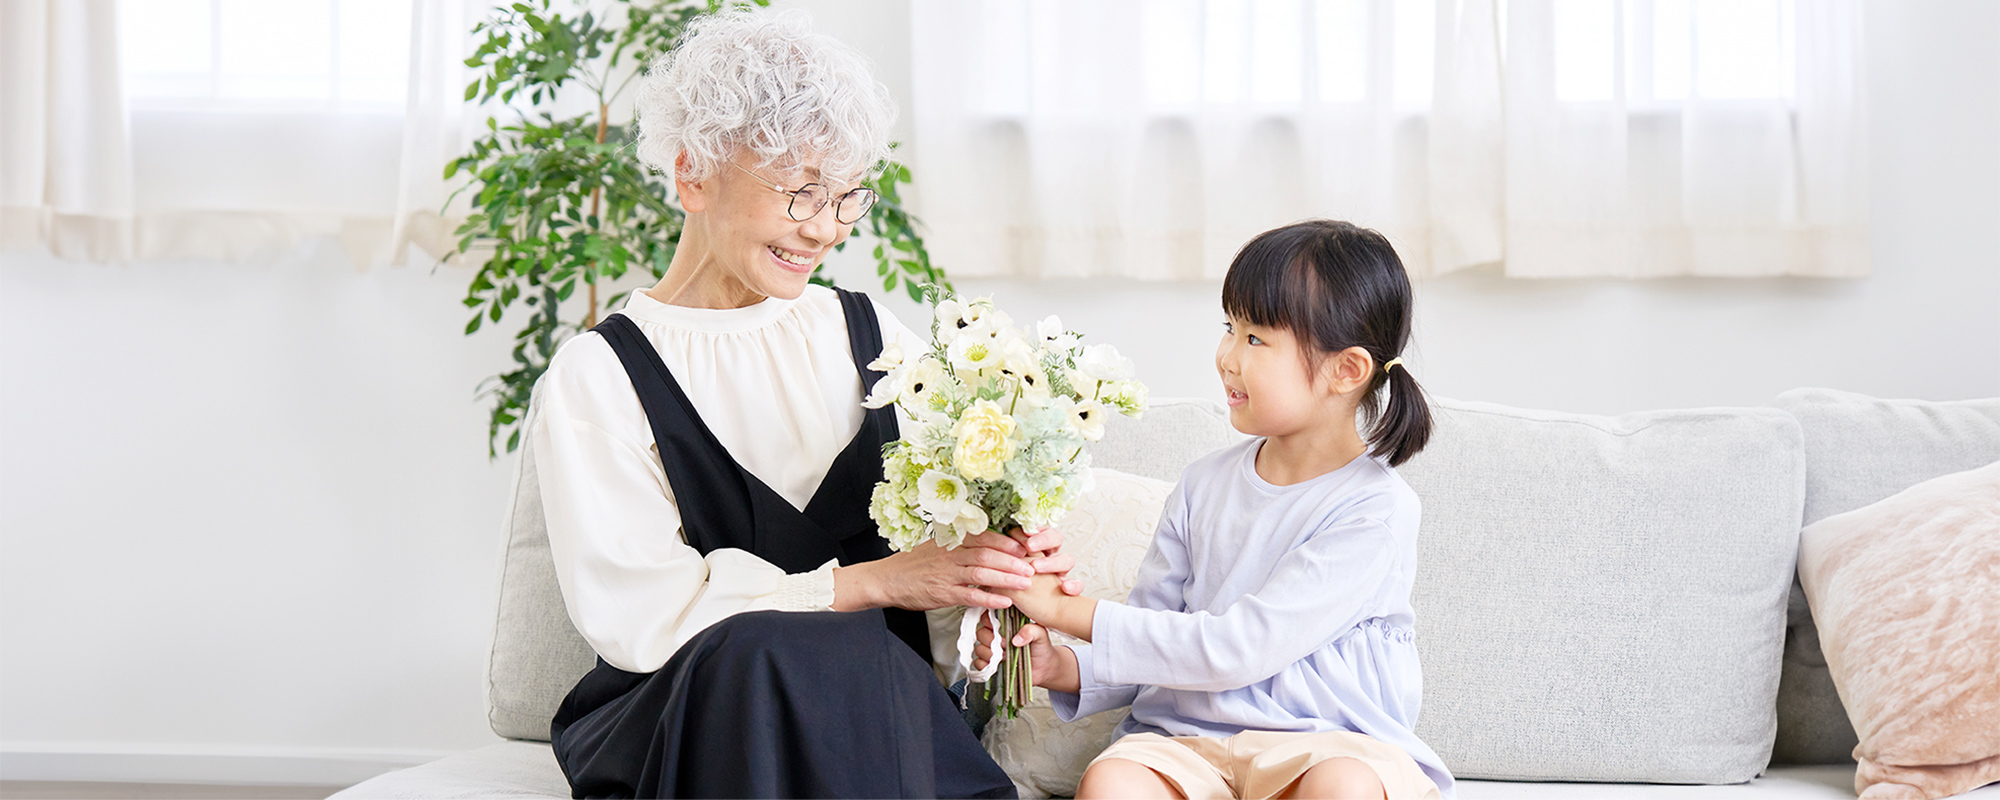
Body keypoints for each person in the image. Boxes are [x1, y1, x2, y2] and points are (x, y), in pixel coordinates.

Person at [524, 9, 1071, 798]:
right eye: (800, 194)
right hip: (689, 715)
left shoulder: (869, 333)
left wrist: (1006, 562)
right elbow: (644, 616)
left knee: (862, 660)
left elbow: (955, 565)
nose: (825, 231)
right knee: (768, 651)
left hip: (873, 716)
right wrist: (880, 584)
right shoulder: (599, 374)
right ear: (692, 175)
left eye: (848, 198)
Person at [976, 220, 1456, 800]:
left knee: (1344, 787)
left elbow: (1241, 647)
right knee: (1113, 782)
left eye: (1256, 339)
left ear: (1346, 370)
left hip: (1324, 742)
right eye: (1230, 328)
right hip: (1186, 740)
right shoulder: (1203, 484)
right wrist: (1064, 667)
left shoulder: (1375, 510)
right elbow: (1156, 631)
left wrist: (1064, 610)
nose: (1226, 356)